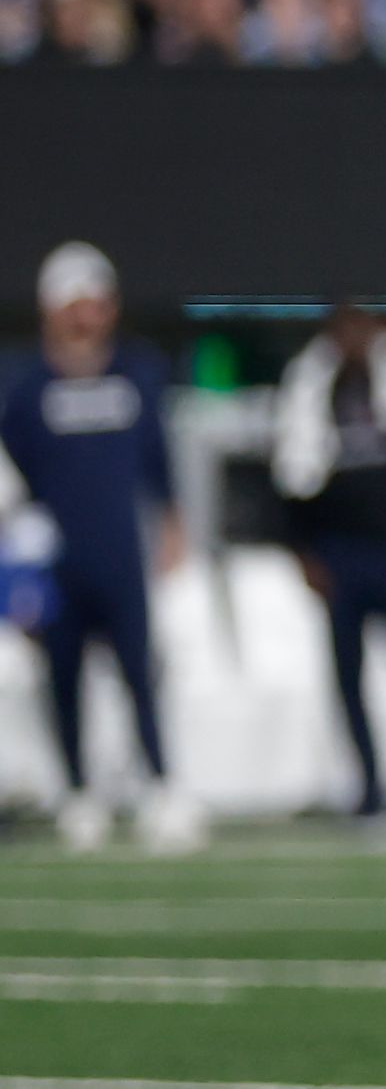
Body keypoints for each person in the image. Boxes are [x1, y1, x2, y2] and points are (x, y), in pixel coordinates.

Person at [0, 245, 199, 851]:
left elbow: (157, 459)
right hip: (57, 560)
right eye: (74, 306)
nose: (86, 318)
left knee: (139, 671)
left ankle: (161, 786)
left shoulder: (136, 372)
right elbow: (12, 477)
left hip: (120, 553)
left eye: (94, 305)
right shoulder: (28, 385)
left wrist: (170, 521)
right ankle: (78, 792)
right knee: (63, 678)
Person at [272, 303, 386, 820]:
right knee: (350, 681)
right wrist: (305, 553)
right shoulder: (313, 389)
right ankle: (371, 787)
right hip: (343, 557)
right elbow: (293, 480)